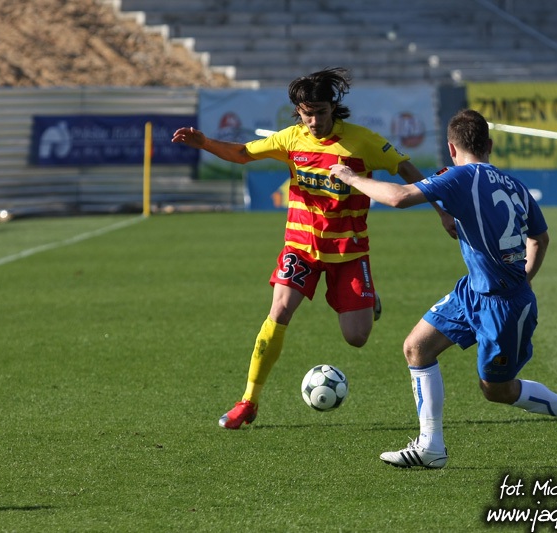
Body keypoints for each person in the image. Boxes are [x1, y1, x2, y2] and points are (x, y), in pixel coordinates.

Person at [171, 67, 455, 429]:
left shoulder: (361, 141)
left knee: (357, 338)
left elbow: (406, 168)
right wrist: (205, 143)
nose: (315, 121)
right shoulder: (291, 139)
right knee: (279, 311)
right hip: (301, 247)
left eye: (321, 112)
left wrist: (442, 211)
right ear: (298, 112)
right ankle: (248, 401)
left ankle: (369, 299)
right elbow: (243, 153)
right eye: (308, 114)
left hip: (348, 252)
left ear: (333, 107)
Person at [329, 109, 557, 469]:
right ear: (490, 144)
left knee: (496, 390)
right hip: (474, 291)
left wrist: (349, 176)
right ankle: (430, 446)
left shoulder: (460, 176)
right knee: (416, 348)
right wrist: (525, 276)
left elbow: (398, 197)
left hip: (503, 306)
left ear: (452, 149)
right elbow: (540, 239)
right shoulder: (513, 184)